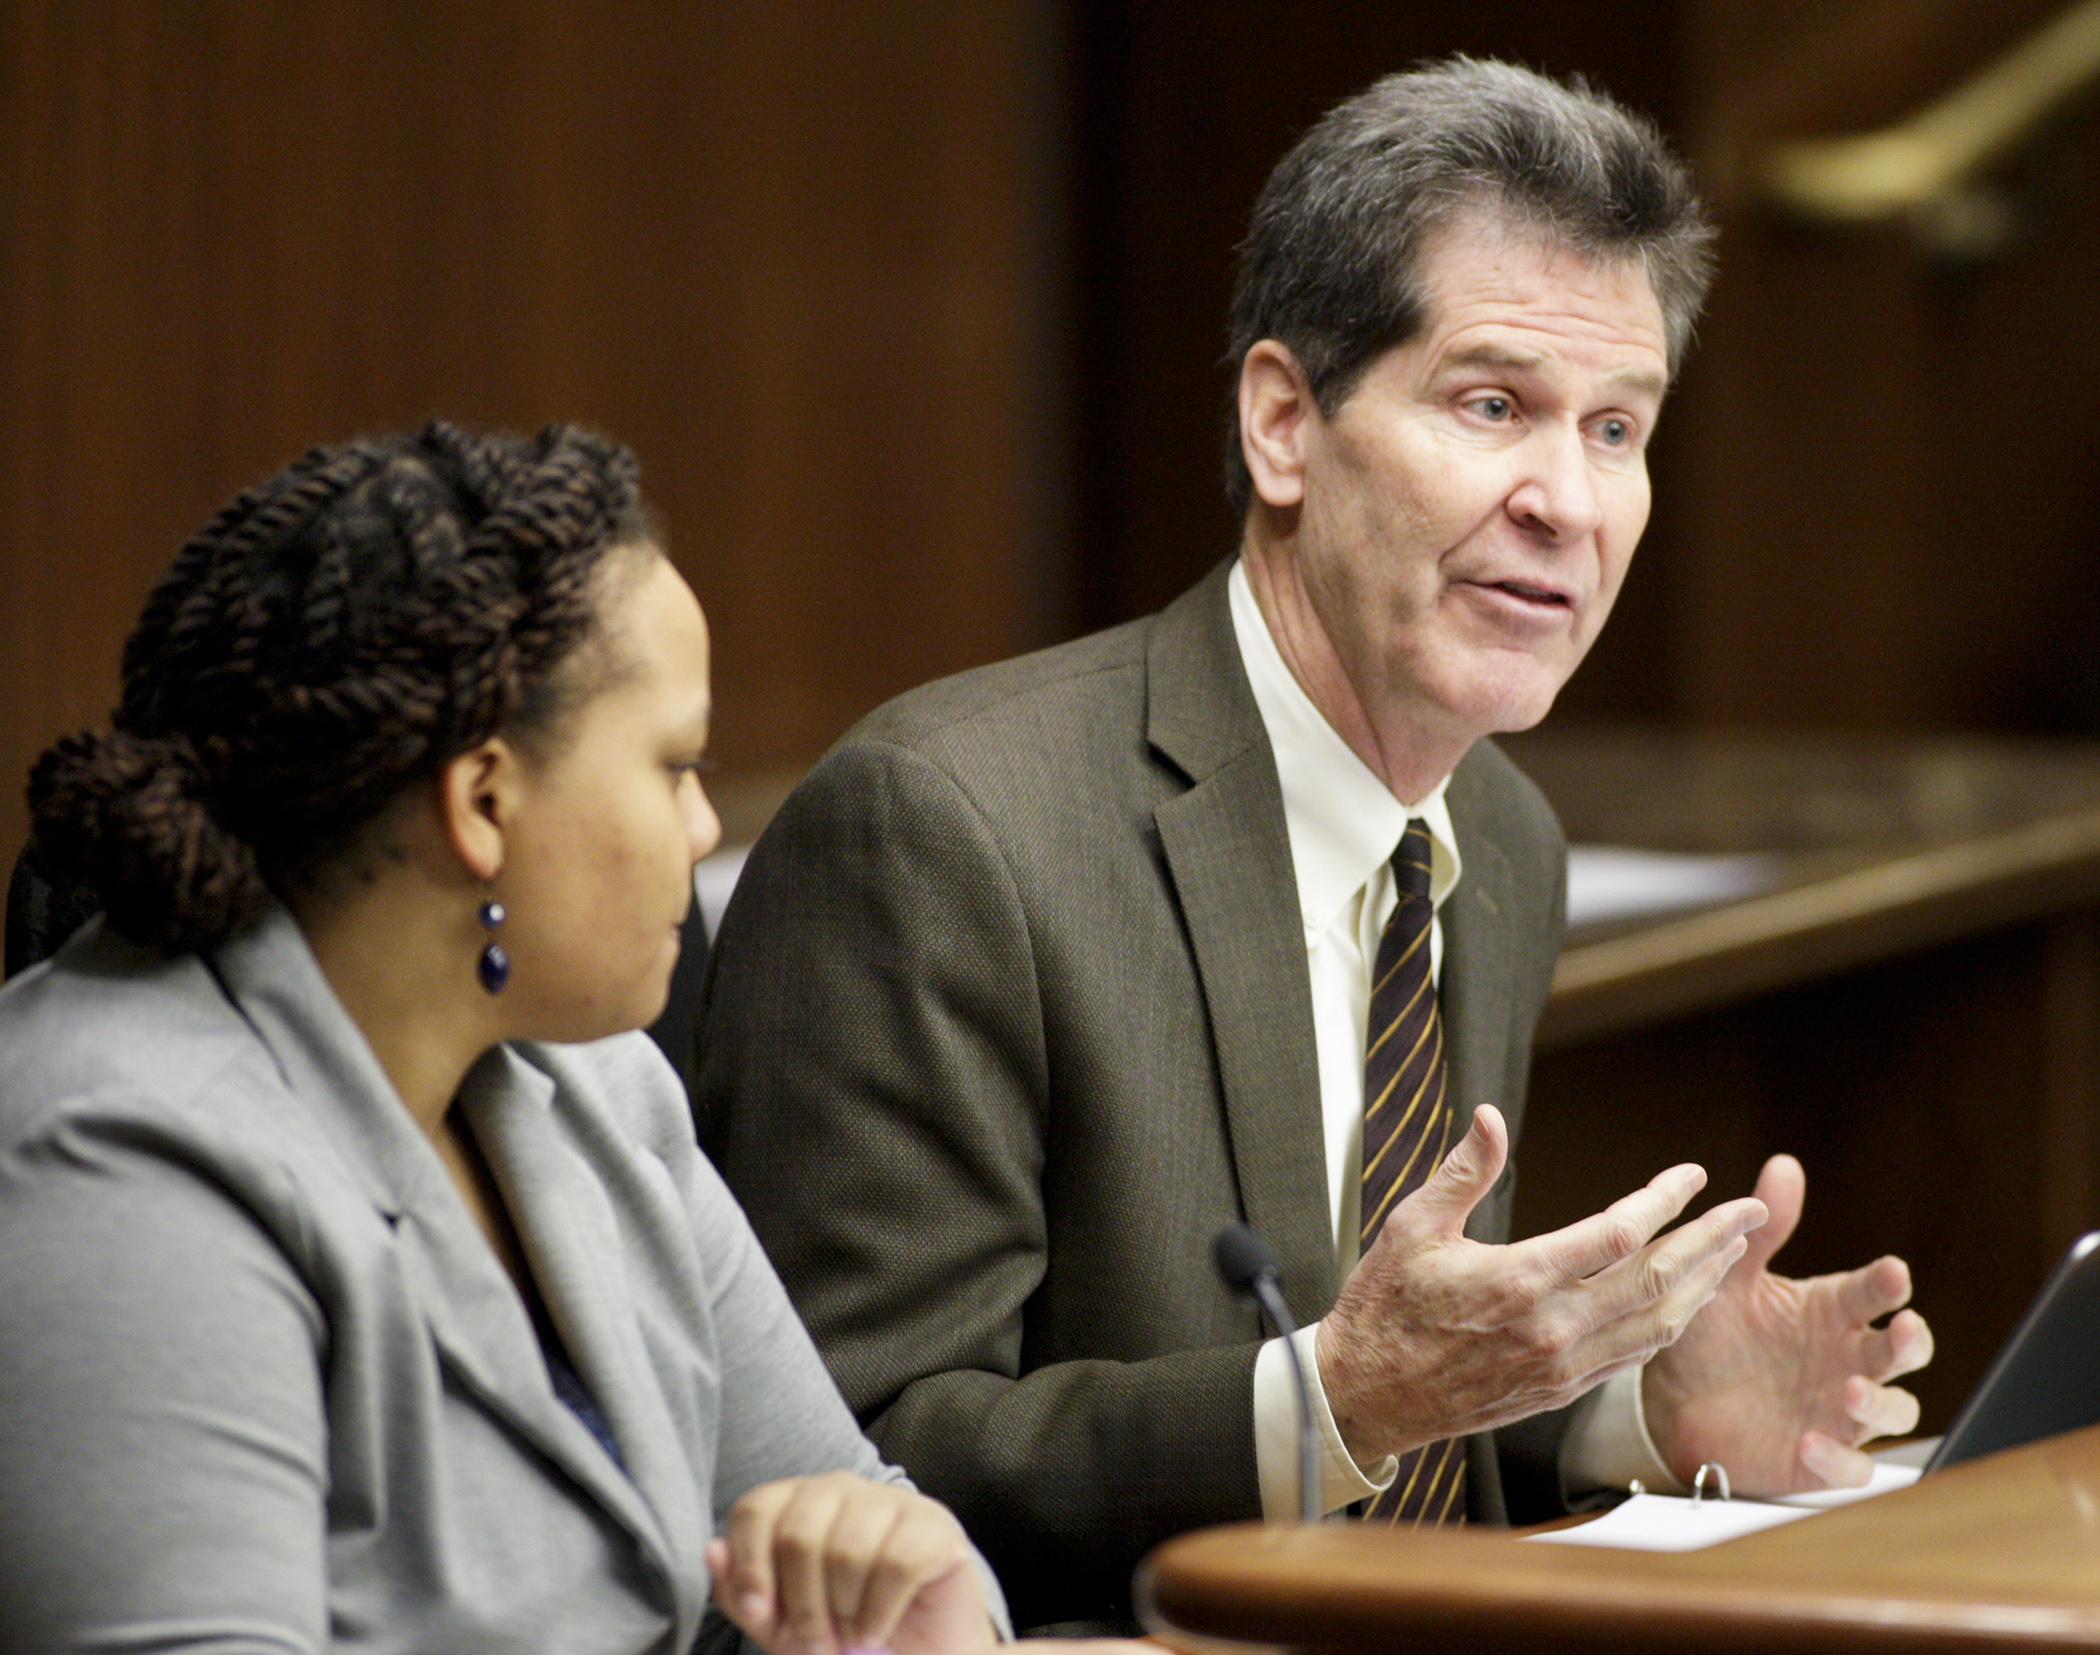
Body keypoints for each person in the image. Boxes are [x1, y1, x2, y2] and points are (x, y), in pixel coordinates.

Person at [693, 58, 1934, 1633]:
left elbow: (1392, 1395)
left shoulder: (1498, 829)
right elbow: (842, 1476)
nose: (1569, 499)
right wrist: (1327, 1398)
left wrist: (1640, 1413)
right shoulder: (944, 831)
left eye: (1617, 427)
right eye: (1495, 405)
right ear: (1285, 422)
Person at [0, 423, 1033, 1655]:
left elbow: (869, 1519)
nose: (704, 828)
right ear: (483, 800)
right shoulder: (117, 1165)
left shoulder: (591, 1082)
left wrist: (920, 1605)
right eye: (676, 764)